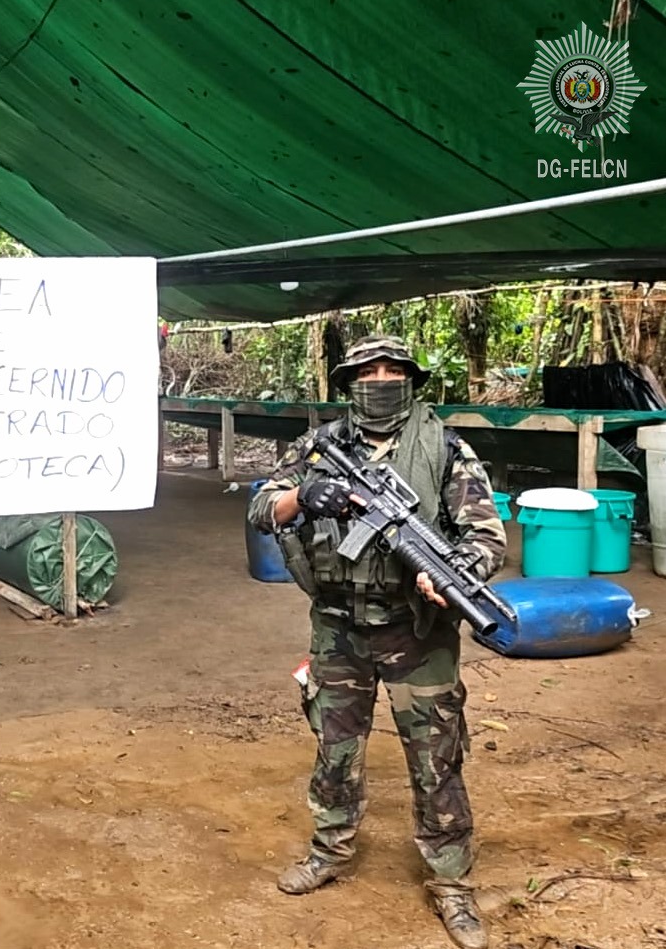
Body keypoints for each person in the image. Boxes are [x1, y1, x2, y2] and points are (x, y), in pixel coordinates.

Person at [247, 335, 507, 949]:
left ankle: (450, 882)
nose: (381, 379)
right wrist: (302, 496)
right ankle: (330, 849)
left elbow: (486, 535)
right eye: (369, 370)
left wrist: (454, 571)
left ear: (411, 379)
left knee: (436, 757)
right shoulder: (318, 446)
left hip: (418, 630)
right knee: (336, 748)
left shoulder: (445, 447)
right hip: (338, 626)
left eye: (393, 370)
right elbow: (261, 509)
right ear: (348, 381)